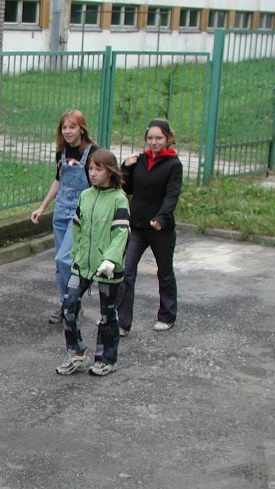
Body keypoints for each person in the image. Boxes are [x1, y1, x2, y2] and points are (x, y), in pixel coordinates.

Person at [55, 149, 130, 377]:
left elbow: (121, 234)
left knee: (107, 314)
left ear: (110, 172)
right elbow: (77, 228)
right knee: (68, 307)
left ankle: (106, 359)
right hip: (82, 265)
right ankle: (76, 354)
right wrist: (77, 254)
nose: (93, 173)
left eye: (99, 169)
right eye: (90, 169)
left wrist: (110, 260)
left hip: (107, 268)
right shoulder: (85, 195)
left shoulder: (119, 199)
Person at [30, 109, 99, 324]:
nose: (68, 131)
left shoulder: (93, 152)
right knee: (60, 263)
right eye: (64, 127)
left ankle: (73, 302)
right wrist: (42, 207)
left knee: (65, 259)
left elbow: (98, 182)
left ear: (82, 129)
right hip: (61, 211)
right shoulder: (61, 151)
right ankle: (66, 304)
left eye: (72, 127)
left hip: (80, 213)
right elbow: (58, 180)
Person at [116, 118, 183, 335]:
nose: (154, 142)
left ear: (167, 139)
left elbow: (172, 195)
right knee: (127, 271)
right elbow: (127, 189)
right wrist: (125, 167)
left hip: (160, 228)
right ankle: (122, 322)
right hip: (137, 225)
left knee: (164, 272)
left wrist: (161, 218)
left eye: (158, 138)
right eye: (150, 138)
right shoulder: (140, 160)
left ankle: (167, 315)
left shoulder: (174, 164)